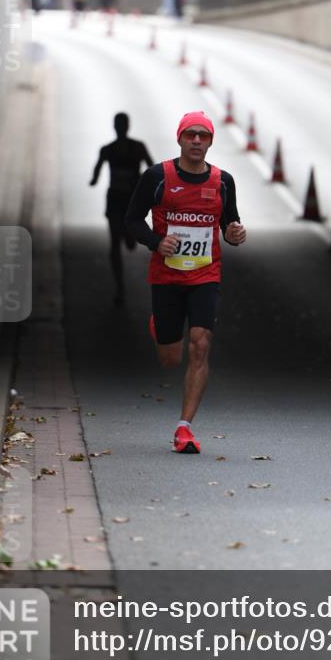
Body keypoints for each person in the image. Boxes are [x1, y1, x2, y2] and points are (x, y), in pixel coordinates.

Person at [125, 111, 247, 454]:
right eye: (190, 135)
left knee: (201, 343)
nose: (196, 141)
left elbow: (231, 225)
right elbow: (132, 219)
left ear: (210, 141)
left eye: (203, 136)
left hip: (205, 274)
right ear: (179, 138)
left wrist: (236, 233)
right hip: (166, 275)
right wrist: (155, 242)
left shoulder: (223, 181)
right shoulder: (157, 177)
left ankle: (184, 428)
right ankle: (160, 328)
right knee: (169, 358)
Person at [89, 114, 153, 306]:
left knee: (122, 242)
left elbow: (97, 171)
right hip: (121, 200)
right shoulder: (133, 148)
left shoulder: (111, 149)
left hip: (126, 201)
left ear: (116, 127)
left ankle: (129, 237)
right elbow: (152, 169)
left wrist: (94, 180)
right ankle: (120, 289)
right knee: (116, 243)